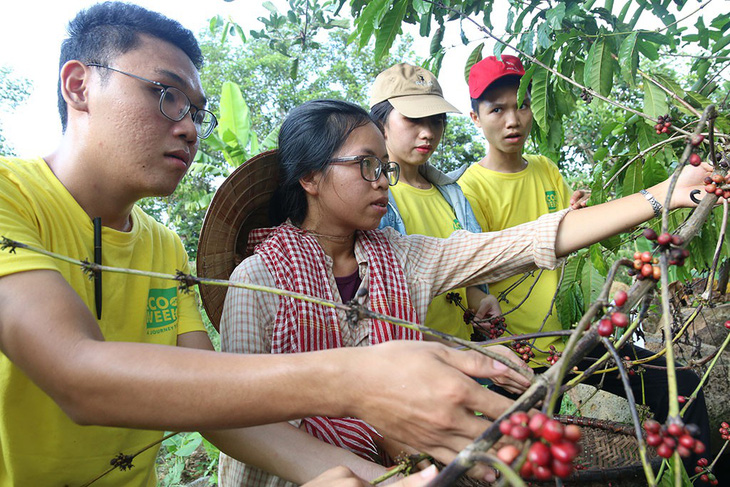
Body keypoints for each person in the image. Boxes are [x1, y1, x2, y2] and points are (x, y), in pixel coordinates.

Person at [0, 4, 537, 485]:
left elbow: (212, 404)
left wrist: (378, 479)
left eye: (196, 111)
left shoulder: (163, 250)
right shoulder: (10, 197)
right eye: (166, 95)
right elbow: (78, 377)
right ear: (78, 86)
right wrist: (356, 379)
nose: (188, 128)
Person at [214, 97, 716, 485]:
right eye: (367, 165)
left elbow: (520, 242)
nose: (383, 182)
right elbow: (237, 415)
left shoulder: (402, 258)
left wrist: (662, 196)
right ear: (310, 177)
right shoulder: (259, 280)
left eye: (384, 168)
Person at [459, 54, 711, 475]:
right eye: (496, 109)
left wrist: (576, 219)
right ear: (475, 117)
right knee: (535, 459)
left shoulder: (544, 168)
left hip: (574, 338)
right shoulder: (472, 188)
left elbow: (570, 236)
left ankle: (700, 474)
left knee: (681, 383)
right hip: (524, 353)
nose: (512, 120)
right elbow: (483, 269)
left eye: (521, 105)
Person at [369, 62, 501, 341]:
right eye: (414, 120)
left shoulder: (452, 195)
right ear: (380, 124)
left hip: (465, 356)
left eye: (436, 120)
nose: (428, 132)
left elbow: (470, 275)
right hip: (408, 364)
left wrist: (480, 302)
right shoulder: (371, 198)